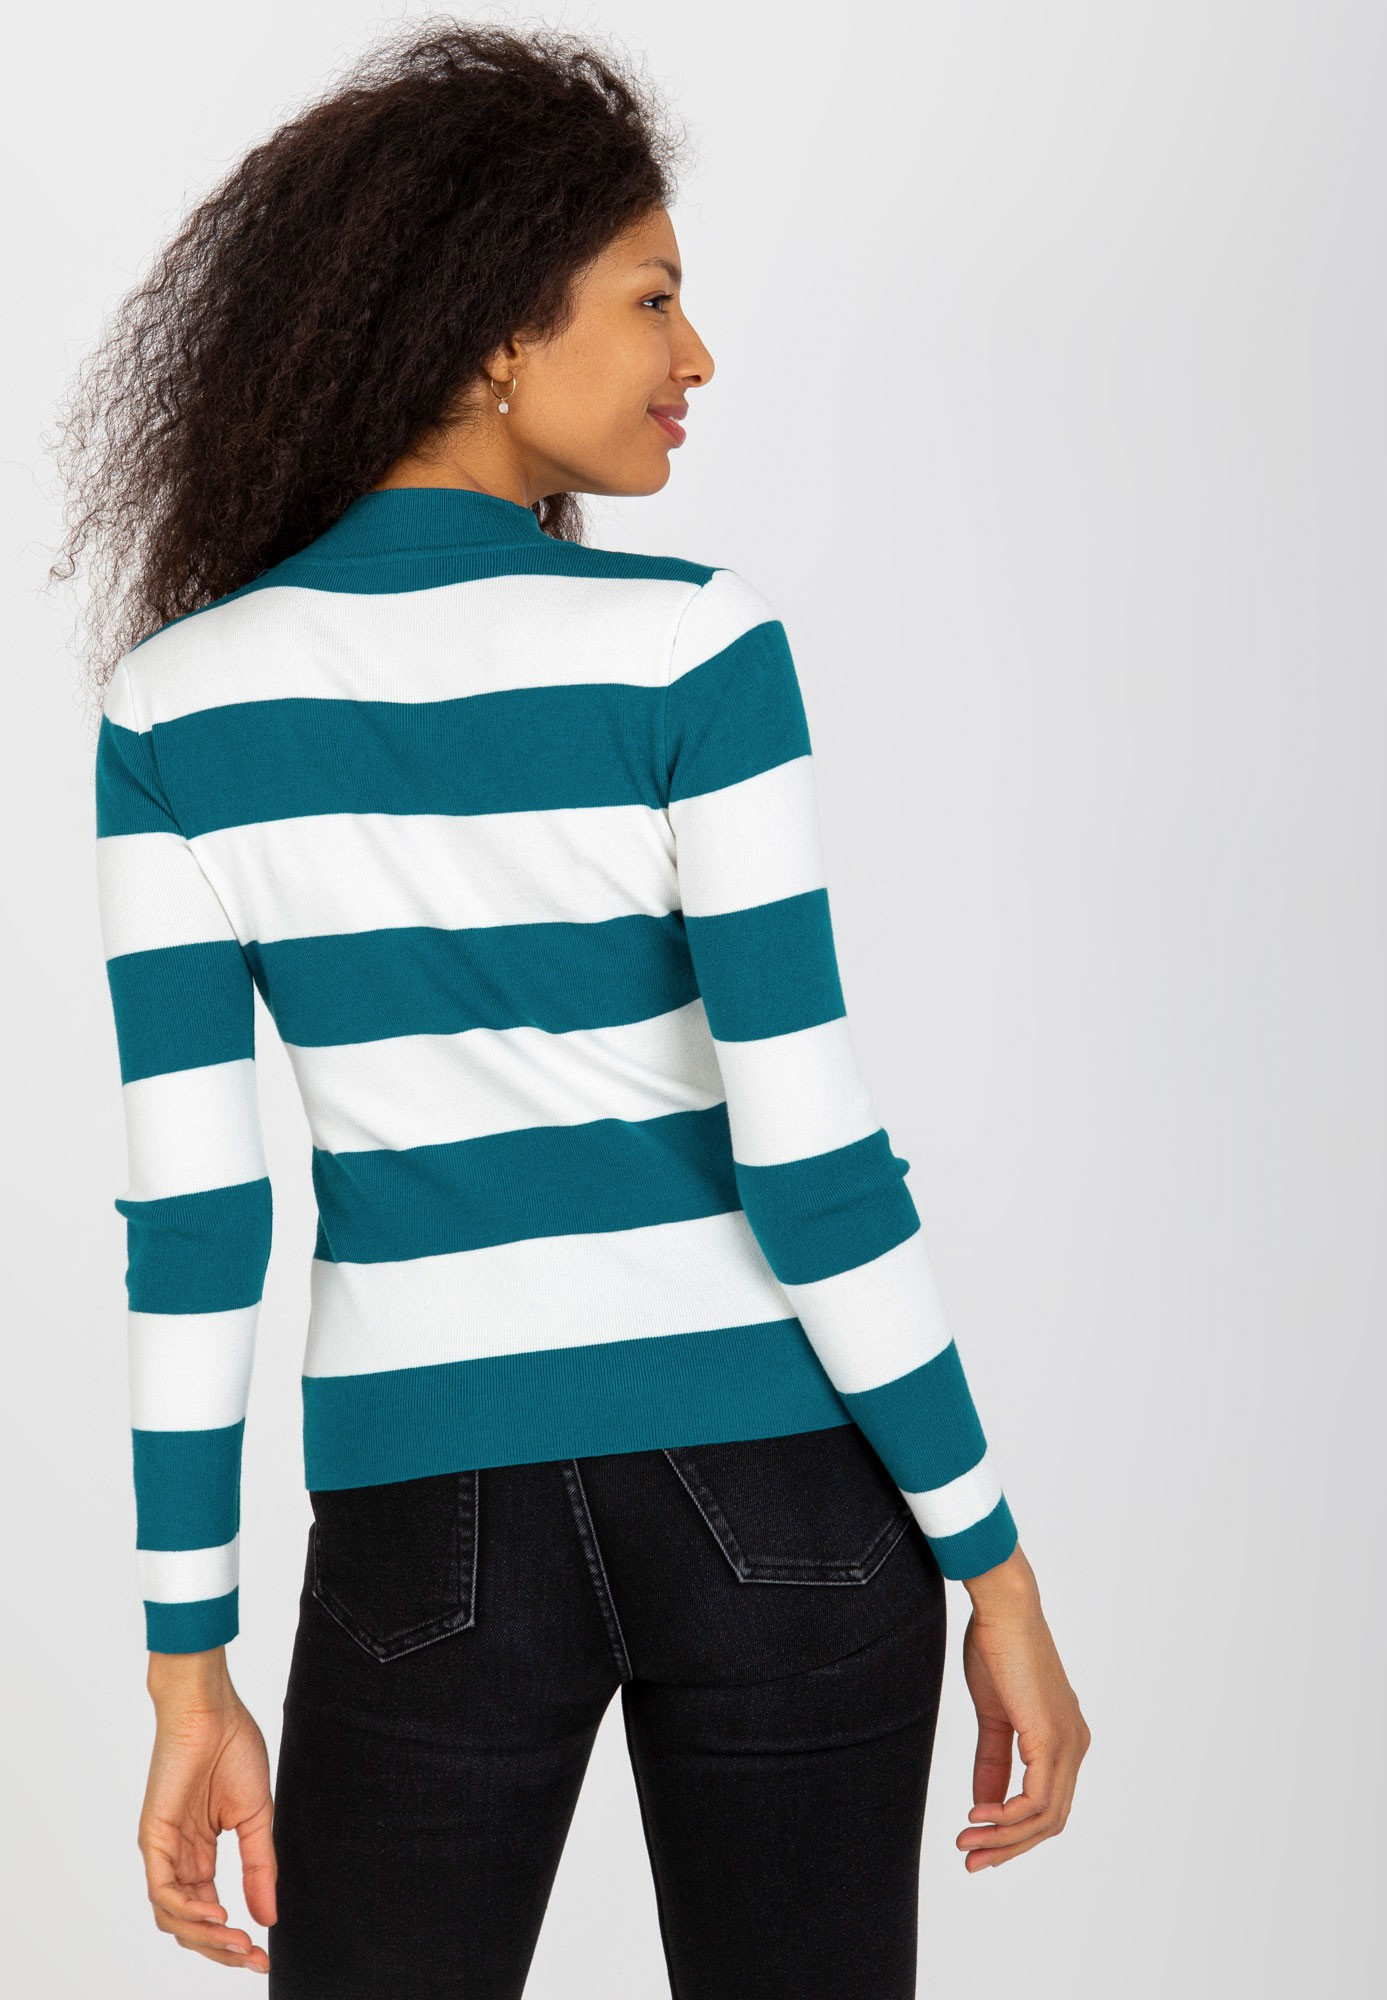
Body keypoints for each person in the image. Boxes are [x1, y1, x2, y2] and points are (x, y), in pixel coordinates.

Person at [58, 22, 1088, 1996]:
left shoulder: (175, 708)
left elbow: (196, 1226)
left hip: (423, 1525)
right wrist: (994, 1557)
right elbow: (812, 1161)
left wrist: (188, 1661)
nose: (697, 357)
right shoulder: (696, 649)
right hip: (781, 1494)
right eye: (653, 299)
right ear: (489, 336)